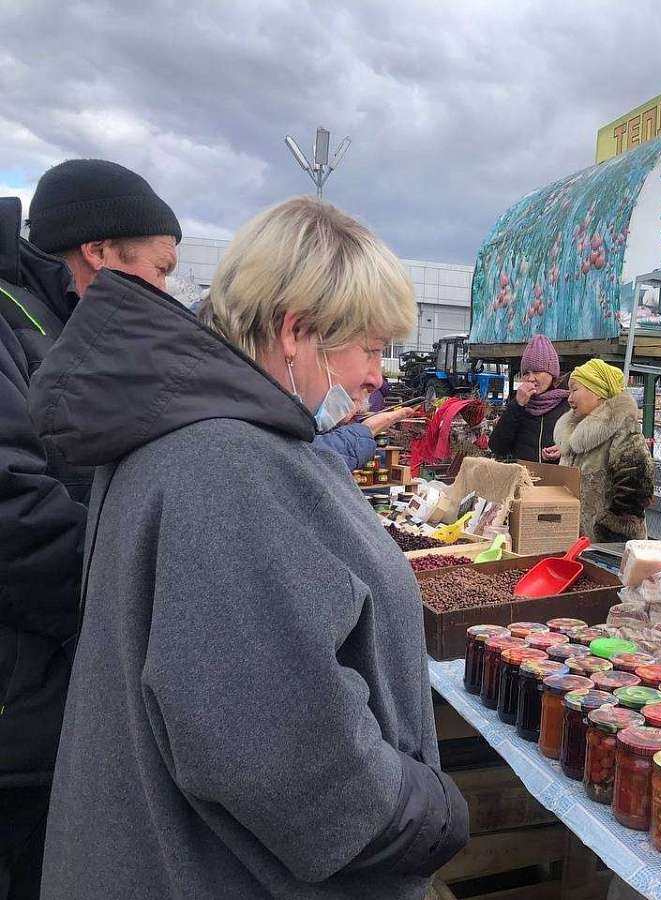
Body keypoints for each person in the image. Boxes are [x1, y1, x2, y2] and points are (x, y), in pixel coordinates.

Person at [30, 197, 467, 898]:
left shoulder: (214, 439)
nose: (377, 375)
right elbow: (280, 751)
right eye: (372, 346)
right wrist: (426, 814)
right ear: (296, 332)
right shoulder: (224, 465)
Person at [0, 157, 182, 900]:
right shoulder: (14, 323)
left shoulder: (55, 324)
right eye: (162, 269)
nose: (168, 292)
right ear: (100, 253)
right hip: (20, 699)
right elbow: (12, 513)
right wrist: (138, 590)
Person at [543, 359, 653, 544]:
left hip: (609, 546)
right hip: (576, 541)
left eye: (575, 390)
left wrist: (611, 530)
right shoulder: (575, 434)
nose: (569, 398)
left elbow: (636, 485)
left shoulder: (624, 430)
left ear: (598, 392)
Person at [488, 335, 569, 462]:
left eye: (536, 372)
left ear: (551, 373)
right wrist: (517, 405)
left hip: (557, 479)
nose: (530, 378)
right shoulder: (519, 407)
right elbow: (497, 447)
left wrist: (565, 449)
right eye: (526, 373)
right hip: (523, 479)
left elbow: (583, 443)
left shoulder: (568, 403)